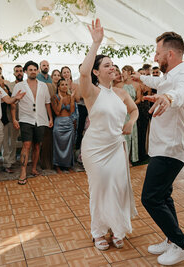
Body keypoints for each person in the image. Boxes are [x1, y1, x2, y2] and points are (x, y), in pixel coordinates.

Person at [132, 30, 184, 266]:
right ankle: (172, 239)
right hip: (163, 147)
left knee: (150, 198)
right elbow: (159, 82)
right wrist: (140, 79)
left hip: (171, 148)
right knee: (164, 195)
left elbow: (182, 93)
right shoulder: (170, 75)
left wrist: (169, 99)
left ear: (170, 53)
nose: (155, 56)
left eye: (158, 52)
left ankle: (183, 245)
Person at [79, 19, 138, 251]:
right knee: (100, 187)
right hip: (95, 148)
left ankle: (116, 228)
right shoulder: (91, 92)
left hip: (116, 147)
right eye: (106, 65)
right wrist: (96, 43)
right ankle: (98, 231)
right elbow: (83, 73)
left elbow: (133, 111)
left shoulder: (122, 93)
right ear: (96, 71)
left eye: (113, 65)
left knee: (117, 187)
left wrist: (131, 122)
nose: (112, 68)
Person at [11, 61, 53, 185]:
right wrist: (14, 119)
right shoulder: (19, 86)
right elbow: (13, 103)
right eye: (30, 69)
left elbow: (47, 103)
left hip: (41, 119)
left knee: (37, 145)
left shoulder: (43, 85)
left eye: (35, 69)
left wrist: (50, 118)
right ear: (25, 71)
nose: (33, 71)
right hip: (26, 119)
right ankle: (23, 171)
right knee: (27, 145)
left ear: (38, 71)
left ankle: (34, 168)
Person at [51, 78, 76, 173]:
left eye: (66, 84)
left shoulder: (70, 96)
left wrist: (72, 98)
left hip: (68, 123)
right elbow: (57, 112)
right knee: (58, 145)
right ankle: (57, 165)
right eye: (62, 85)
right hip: (59, 123)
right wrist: (61, 100)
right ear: (58, 87)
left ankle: (68, 165)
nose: (65, 86)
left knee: (69, 145)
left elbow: (72, 111)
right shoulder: (54, 97)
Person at [4, 65, 24, 173]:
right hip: (12, 118)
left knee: (25, 140)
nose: (19, 73)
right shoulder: (9, 86)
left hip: (25, 117)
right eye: (17, 71)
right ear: (14, 73)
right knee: (11, 141)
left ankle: (25, 161)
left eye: (21, 71)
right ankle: (9, 163)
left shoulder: (26, 85)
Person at [40, 69, 61, 170]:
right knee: (47, 140)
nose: (57, 77)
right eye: (55, 75)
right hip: (50, 114)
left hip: (61, 117)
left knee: (57, 140)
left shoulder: (63, 87)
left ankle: (58, 162)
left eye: (58, 75)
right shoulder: (48, 86)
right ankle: (46, 163)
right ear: (51, 77)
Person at [121, 65, 141, 163]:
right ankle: (124, 159)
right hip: (123, 114)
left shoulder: (136, 85)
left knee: (133, 136)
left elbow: (139, 99)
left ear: (129, 72)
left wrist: (131, 105)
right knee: (124, 136)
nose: (122, 74)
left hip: (132, 113)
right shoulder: (119, 85)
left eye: (123, 71)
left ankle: (132, 158)